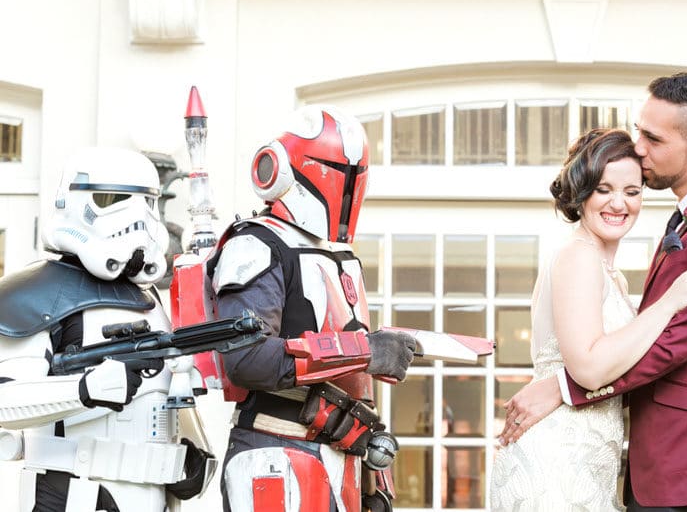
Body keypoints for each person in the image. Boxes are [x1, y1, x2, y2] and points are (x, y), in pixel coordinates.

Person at [498, 72, 687, 512]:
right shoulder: (682, 223)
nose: (640, 148)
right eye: (638, 133)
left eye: (652, 137)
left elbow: (681, 337)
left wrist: (565, 387)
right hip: (647, 460)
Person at [489, 128, 687, 511]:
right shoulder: (578, 255)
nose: (619, 204)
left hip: (587, 461)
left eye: (632, 192)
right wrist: (669, 304)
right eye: (604, 189)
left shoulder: (609, 272)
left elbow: (617, 369)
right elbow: (589, 368)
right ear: (581, 193)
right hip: (557, 461)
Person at [205, 104, 416, 512]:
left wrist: (375, 479)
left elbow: (355, 387)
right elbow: (247, 358)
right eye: (337, 171)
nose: (348, 186)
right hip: (275, 455)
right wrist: (368, 351)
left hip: (341, 460)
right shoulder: (255, 245)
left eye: (355, 174)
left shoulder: (340, 256)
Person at [0, 148, 214, 511]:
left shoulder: (149, 299)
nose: (138, 218)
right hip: (72, 494)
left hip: (153, 497)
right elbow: (5, 401)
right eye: (114, 199)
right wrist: (85, 389)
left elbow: (165, 396)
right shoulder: (36, 293)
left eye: (148, 202)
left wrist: (193, 457)